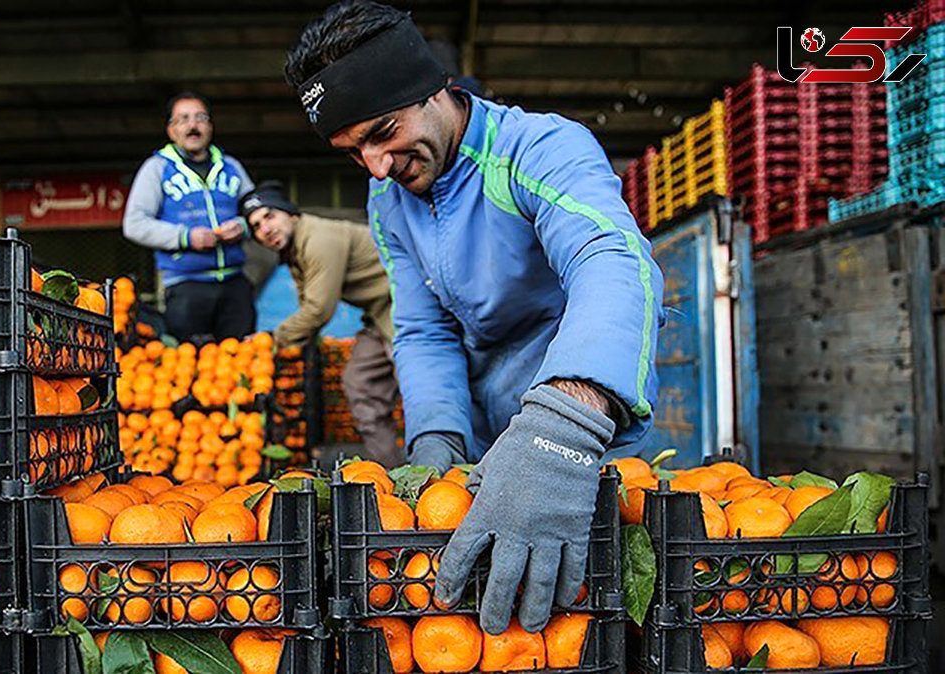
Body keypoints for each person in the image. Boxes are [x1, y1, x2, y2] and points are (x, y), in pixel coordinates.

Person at [285, 1, 664, 636]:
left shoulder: (539, 147)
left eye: (383, 132)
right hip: (488, 444)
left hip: (575, 434)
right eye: (353, 152)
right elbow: (423, 327)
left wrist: (563, 427)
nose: (377, 166)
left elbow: (611, 259)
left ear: (434, 90)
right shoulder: (389, 200)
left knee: (578, 615)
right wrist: (437, 440)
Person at [240, 180, 402, 468]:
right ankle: (392, 472)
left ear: (290, 213)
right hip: (377, 315)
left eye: (269, 216)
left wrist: (271, 339)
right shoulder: (294, 254)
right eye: (255, 226)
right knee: (360, 382)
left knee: (417, 383)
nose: (264, 229)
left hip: (404, 305)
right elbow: (308, 310)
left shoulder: (318, 239)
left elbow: (318, 310)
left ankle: (444, 471)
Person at [122, 91, 257, 341]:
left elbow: (256, 210)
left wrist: (243, 226)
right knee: (189, 367)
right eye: (183, 119)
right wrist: (186, 237)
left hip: (235, 284)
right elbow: (134, 224)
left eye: (200, 118)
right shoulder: (157, 168)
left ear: (210, 126)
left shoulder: (232, 166)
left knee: (244, 363)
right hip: (185, 286)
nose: (192, 125)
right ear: (171, 130)